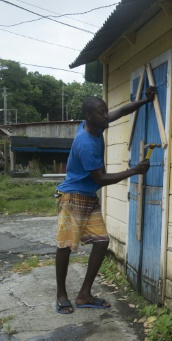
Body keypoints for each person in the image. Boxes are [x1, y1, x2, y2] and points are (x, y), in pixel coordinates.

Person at [54, 86, 156, 314]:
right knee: (66, 246)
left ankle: (84, 295)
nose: (105, 115)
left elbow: (120, 112)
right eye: (101, 113)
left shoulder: (96, 125)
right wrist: (133, 171)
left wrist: (143, 101)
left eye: (105, 111)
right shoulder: (86, 143)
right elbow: (100, 179)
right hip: (73, 197)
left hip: (88, 196)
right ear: (89, 116)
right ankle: (61, 295)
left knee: (101, 242)